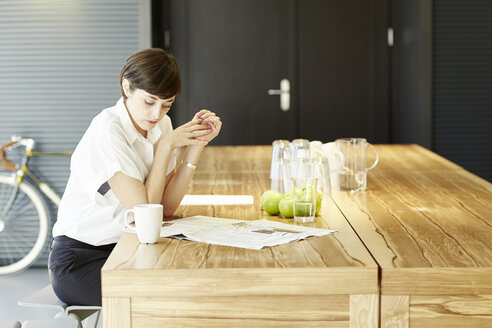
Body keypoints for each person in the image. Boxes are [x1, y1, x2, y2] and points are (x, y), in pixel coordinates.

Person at [48, 48, 222, 306]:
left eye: (167, 104)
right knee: (167, 301)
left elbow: (166, 208)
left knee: (197, 284)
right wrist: (165, 147)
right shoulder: (108, 129)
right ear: (126, 87)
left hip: (128, 248)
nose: (157, 113)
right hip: (80, 259)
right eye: (149, 101)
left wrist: (196, 147)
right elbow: (146, 217)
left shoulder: (162, 124)